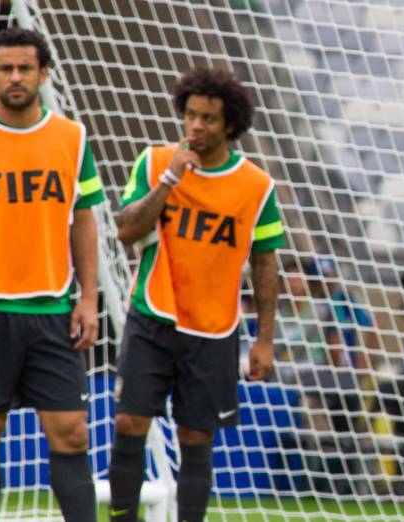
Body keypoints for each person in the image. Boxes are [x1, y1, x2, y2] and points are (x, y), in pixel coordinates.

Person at [0, 28, 104, 522]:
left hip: (53, 312)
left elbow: (85, 216)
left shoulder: (72, 138)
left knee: (71, 432)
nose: (14, 77)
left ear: (43, 74)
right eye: (5, 69)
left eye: (24, 68)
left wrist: (88, 298)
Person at [109, 66, 284, 522]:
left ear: (230, 124)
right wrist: (169, 180)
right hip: (152, 315)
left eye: (208, 118)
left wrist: (264, 339)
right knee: (128, 423)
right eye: (190, 116)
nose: (196, 127)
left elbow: (265, 265)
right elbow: (126, 230)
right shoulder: (153, 162)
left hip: (213, 329)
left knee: (196, 436)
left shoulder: (256, 186)